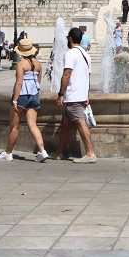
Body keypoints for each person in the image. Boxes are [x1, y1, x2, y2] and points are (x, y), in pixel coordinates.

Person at [0, 38, 49, 163]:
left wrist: (14, 100)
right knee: (32, 125)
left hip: (22, 96)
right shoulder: (38, 64)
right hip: (34, 95)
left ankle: (8, 153)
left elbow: (19, 83)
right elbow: (38, 81)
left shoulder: (21, 64)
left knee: (14, 126)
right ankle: (42, 151)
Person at [55, 27, 97, 163]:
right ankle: (58, 152)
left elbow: (67, 74)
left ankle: (90, 153)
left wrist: (61, 93)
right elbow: (87, 77)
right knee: (66, 123)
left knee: (80, 122)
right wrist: (86, 95)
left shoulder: (71, 54)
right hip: (80, 94)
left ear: (70, 38)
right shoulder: (86, 55)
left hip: (73, 95)